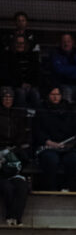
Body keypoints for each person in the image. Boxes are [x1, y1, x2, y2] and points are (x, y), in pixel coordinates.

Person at [32, 86, 76, 191]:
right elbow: (37, 130)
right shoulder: (41, 109)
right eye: (53, 94)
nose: (55, 97)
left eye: (58, 94)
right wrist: (50, 142)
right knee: (51, 159)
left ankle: (67, 187)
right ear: (48, 96)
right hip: (48, 145)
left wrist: (71, 143)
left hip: (67, 146)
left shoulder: (68, 109)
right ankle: (51, 188)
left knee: (74, 159)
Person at [0, 88, 29, 225]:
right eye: (5, 97)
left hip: (14, 155)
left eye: (10, 97)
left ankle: (17, 217)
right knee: (7, 188)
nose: (8, 100)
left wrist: (15, 148)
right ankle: (10, 216)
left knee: (22, 187)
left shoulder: (18, 115)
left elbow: (22, 135)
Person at [5, 32, 41, 109]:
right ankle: (21, 115)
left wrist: (31, 84)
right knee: (21, 93)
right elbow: (7, 75)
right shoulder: (9, 57)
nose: (20, 45)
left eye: (22, 43)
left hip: (30, 85)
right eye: (18, 43)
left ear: (25, 44)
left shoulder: (32, 57)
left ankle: (36, 114)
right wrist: (20, 84)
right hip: (15, 85)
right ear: (14, 44)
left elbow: (36, 73)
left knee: (35, 93)